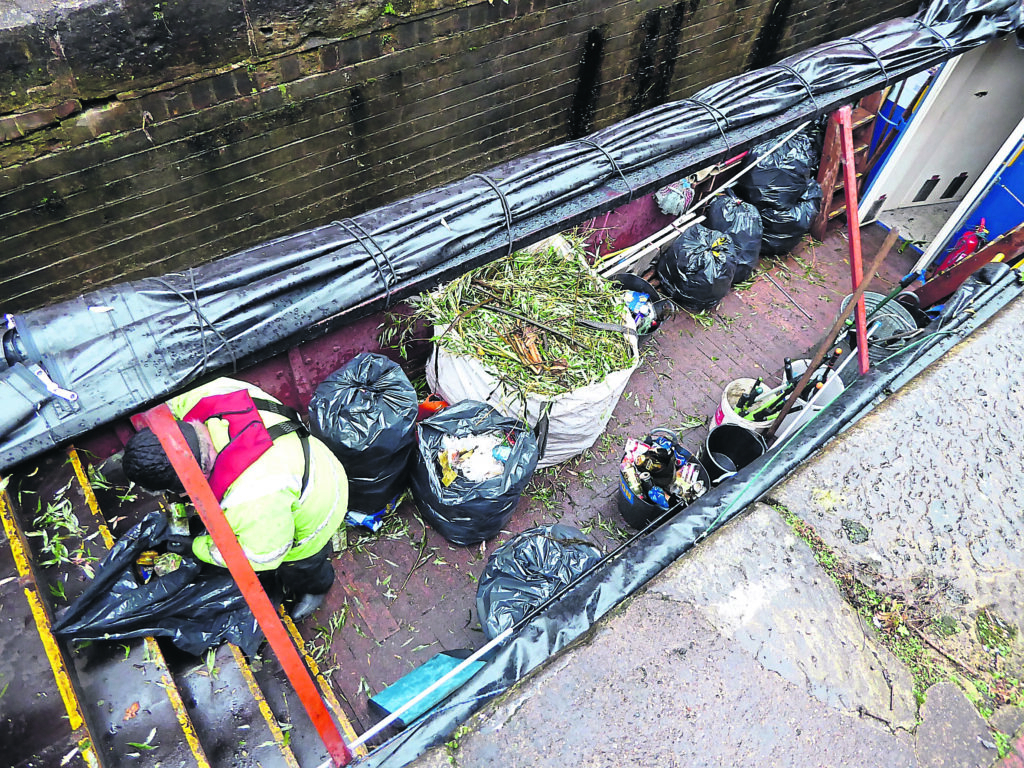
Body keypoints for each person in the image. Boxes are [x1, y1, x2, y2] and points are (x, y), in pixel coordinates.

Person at [122, 376, 348, 621]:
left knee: (301, 564)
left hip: (322, 501)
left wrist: (196, 548)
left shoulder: (251, 496)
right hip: (309, 456)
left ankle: (316, 586)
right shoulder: (205, 394)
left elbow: (263, 556)